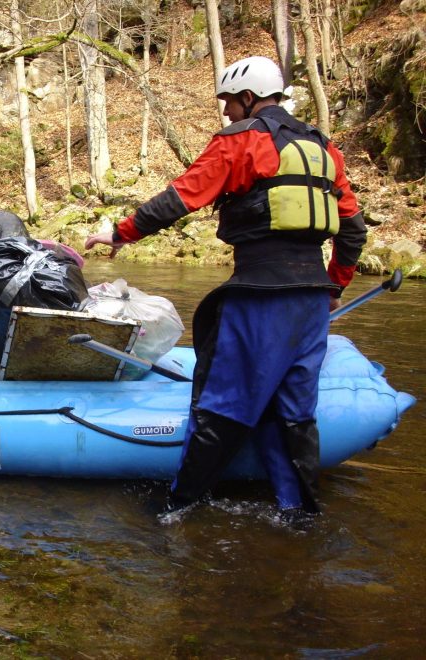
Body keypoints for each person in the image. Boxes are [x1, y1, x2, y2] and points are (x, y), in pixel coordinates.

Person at [85, 55, 367, 515]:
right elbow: (353, 230)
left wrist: (120, 233)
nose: (226, 112)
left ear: (250, 98)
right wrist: (333, 287)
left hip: (261, 296)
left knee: (224, 403)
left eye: (230, 103)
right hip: (312, 301)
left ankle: (180, 507)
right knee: (295, 410)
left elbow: (182, 196)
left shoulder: (242, 142)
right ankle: (298, 514)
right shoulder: (325, 149)